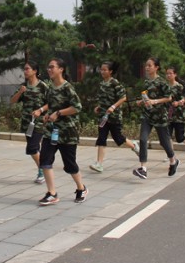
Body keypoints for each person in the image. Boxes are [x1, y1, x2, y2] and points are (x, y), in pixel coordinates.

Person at [33, 58, 88, 204]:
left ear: (61, 69)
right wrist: (47, 115)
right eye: (48, 67)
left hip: (68, 132)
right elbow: (50, 105)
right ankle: (52, 193)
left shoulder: (67, 87)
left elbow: (77, 107)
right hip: (51, 131)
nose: (49, 69)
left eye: (52, 67)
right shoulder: (50, 87)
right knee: (45, 159)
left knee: (69, 164)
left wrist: (58, 113)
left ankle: (81, 188)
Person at [131, 58, 179, 179]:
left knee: (164, 142)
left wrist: (155, 101)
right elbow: (147, 96)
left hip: (160, 116)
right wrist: (141, 101)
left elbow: (169, 98)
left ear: (156, 67)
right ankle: (143, 169)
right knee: (143, 139)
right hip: (147, 115)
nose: (147, 68)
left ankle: (173, 160)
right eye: (146, 66)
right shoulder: (147, 81)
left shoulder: (161, 82)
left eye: (149, 65)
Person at [90, 61, 139, 173]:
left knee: (118, 138)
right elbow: (103, 99)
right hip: (104, 116)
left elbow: (123, 98)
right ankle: (99, 164)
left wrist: (113, 106)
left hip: (115, 116)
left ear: (110, 71)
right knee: (101, 138)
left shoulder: (115, 83)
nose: (102, 72)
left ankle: (134, 145)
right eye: (101, 69)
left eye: (104, 70)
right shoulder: (102, 83)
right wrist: (98, 107)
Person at [11, 61, 50, 183]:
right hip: (27, 123)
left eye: (27, 69)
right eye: (24, 69)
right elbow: (12, 101)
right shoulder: (24, 86)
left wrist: (40, 110)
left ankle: (43, 170)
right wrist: (20, 92)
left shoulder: (43, 86)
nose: (25, 71)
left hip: (39, 122)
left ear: (35, 71)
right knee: (34, 148)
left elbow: (51, 102)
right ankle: (42, 170)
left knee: (32, 148)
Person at [166, 65, 185, 158]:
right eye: (167, 74)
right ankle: (171, 155)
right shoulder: (165, 86)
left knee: (179, 137)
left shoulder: (180, 87)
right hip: (168, 115)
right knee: (168, 136)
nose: (168, 75)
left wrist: (179, 103)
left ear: (175, 74)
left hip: (179, 115)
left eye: (170, 73)